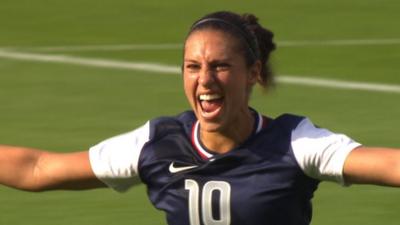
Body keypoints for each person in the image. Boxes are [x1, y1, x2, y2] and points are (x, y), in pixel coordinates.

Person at [0, 10, 399, 225]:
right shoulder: (157, 144)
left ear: (253, 73)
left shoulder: (295, 143)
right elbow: (38, 169)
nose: (205, 80)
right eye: (192, 67)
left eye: (220, 66)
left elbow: (387, 164)